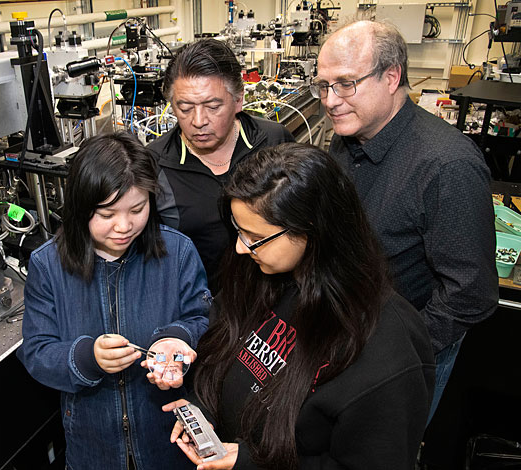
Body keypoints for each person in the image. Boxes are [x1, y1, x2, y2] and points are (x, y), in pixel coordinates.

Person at [163, 143, 435, 470]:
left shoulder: (385, 348)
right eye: (238, 231)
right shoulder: (262, 273)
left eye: (253, 236)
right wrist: (202, 410)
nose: (239, 248)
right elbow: (221, 338)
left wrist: (250, 463)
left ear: (312, 231)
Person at [315, 20, 498, 420]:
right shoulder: (345, 140)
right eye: (323, 86)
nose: (330, 100)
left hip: (404, 353)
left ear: (392, 77)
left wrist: (395, 349)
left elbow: (471, 293)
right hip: (348, 335)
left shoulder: (447, 165)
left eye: (345, 83)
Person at [17, 133, 210, 470]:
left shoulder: (177, 252)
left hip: (168, 440)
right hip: (91, 447)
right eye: (107, 214)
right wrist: (87, 357)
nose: (124, 226)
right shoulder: (48, 265)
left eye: (137, 209)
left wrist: (175, 339)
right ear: (80, 207)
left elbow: (203, 318)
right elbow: (37, 352)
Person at [147, 39, 294, 292]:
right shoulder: (155, 162)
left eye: (213, 106)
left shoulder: (274, 141)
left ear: (238, 100)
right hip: (201, 310)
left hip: (276, 299)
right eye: (184, 108)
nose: (199, 121)